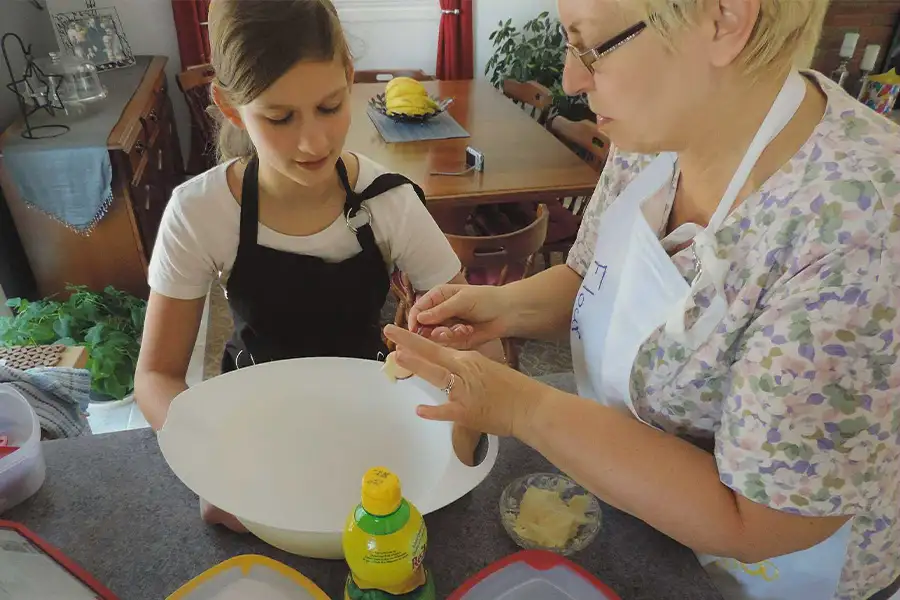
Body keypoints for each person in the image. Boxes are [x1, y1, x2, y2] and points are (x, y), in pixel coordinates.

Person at [383, 1, 900, 599]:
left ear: (723, 19)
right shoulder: (657, 128)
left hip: (763, 571)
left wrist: (522, 407)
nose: (572, 80)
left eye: (591, 47)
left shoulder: (861, 227)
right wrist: (503, 308)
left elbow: (762, 519)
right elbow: (593, 276)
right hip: (641, 516)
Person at [135, 0, 479, 531]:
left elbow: (477, 335)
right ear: (230, 108)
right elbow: (156, 375)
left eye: (329, 106)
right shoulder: (200, 211)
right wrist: (212, 461)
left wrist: (453, 418)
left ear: (348, 77)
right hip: (256, 429)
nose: (314, 142)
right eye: (279, 118)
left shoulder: (389, 201)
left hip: (375, 424)